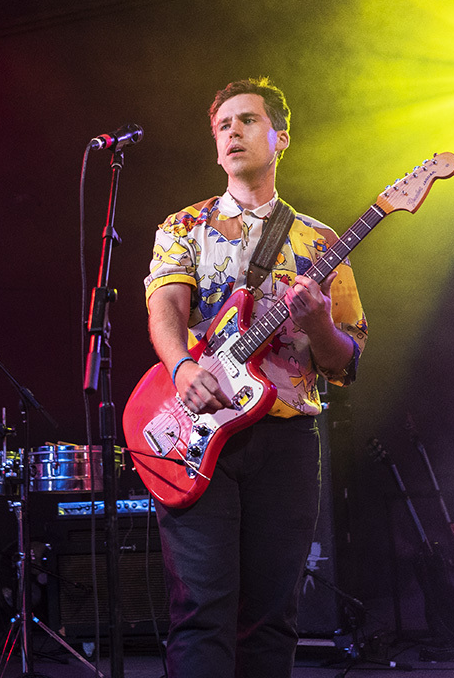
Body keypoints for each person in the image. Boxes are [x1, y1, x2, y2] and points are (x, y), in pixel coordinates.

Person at [143, 77, 368, 678]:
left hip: (287, 441)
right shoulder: (183, 225)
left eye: (246, 120)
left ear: (280, 137)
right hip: (201, 434)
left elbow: (347, 362)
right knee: (201, 613)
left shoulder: (321, 242)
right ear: (216, 149)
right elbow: (163, 309)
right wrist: (184, 365)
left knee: (272, 616)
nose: (233, 131)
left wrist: (318, 323)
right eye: (223, 126)